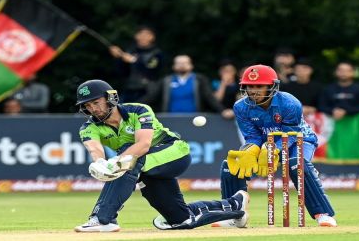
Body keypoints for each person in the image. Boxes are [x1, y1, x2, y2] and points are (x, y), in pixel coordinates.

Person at [73, 79, 249, 232]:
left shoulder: (138, 110)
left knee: (129, 157)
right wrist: (100, 163)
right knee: (180, 219)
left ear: (110, 98)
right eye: (87, 106)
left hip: (173, 152)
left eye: (96, 102)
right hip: (146, 167)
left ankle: (103, 219)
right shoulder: (89, 127)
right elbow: (94, 149)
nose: (93, 109)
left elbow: (143, 144)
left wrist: (116, 163)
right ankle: (234, 205)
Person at [217, 64, 337, 227]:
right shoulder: (240, 106)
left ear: (272, 86)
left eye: (259, 86)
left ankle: (324, 214)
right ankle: (234, 215)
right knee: (232, 166)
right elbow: (252, 136)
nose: (254, 91)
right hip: (267, 143)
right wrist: (251, 150)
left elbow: (291, 134)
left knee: (297, 164)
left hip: (300, 140)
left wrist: (273, 149)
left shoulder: (289, 102)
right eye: (250, 86)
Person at [139, 55, 234, 118]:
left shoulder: (199, 80)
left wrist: (223, 110)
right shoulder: (166, 81)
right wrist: (132, 108)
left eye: (185, 63)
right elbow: (151, 97)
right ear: (174, 66)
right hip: (170, 121)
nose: (182, 65)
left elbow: (209, 97)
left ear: (191, 66)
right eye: (179, 63)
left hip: (194, 119)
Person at [109, 26, 165, 102]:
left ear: (152, 37)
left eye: (146, 35)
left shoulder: (156, 54)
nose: (143, 37)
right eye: (140, 34)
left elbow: (151, 71)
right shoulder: (131, 51)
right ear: (136, 36)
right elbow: (121, 72)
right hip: (128, 90)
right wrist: (118, 57)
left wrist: (134, 61)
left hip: (147, 92)